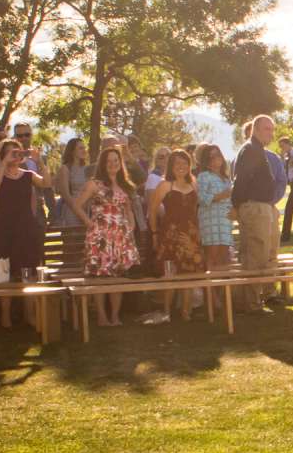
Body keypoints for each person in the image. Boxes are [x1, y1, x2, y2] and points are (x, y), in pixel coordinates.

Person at [73, 143, 141, 327]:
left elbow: (129, 211)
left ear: (120, 163)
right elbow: (77, 205)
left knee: (117, 276)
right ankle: (102, 316)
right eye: (109, 161)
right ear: (103, 164)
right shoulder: (94, 184)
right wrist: (90, 224)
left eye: (116, 160)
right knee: (100, 276)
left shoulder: (125, 185)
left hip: (119, 236)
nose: (112, 164)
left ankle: (115, 316)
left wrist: (131, 227)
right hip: (100, 236)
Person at [230, 115, 283, 310]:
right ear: (256, 129)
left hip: (265, 206)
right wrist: (237, 206)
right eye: (267, 129)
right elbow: (241, 181)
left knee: (267, 253)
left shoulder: (259, 149)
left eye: (272, 129)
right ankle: (250, 302)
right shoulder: (250, 150)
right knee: (254, 254)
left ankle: (264, 295)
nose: (271, 133)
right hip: (254, 207)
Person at [148, 147, 204, 322]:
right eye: (177, 163)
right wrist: (155, 233)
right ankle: (166, 311)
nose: (181, 166)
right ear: (171, 166)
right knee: (170, 275)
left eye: (184, 162)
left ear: (189, 165)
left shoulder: (194, 184)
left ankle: (186, 311)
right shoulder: (165, 185)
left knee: (188, 272)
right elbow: (152, 210)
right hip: (170, 236)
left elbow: (197, 210)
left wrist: (197, 234)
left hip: (191, 235)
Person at [0, 139, 46, 283]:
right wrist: (4, 162)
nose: (14, 155)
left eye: (17, 151)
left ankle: (29, 306)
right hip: (6, 229)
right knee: (4, 274)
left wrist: (39, 162)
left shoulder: (28, 175)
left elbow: (47, 183)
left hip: (27, 228)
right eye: (10, 152)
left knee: (29, 272)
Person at [50, 138, 91, 269]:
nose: (84, 150)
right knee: (72, 245)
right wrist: (78, 210)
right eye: (80, 148)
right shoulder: (65, 168)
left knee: (86, 245)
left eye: (84, 148)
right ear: (72, 151)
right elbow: (66, 195)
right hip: (72, 210)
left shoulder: (88, 168)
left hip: (88, 209)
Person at [194, 142, 234, 272]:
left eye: (218, 155)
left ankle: (223, 291)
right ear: (206, 161)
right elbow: (201, 199)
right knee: (212, 256)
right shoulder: (204, 176)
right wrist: (222, 196)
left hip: (224, 222)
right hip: (210, 221)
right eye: (211, 157)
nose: (216, 158)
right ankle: (211, 291)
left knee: (224, 257)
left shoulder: (226, 178)